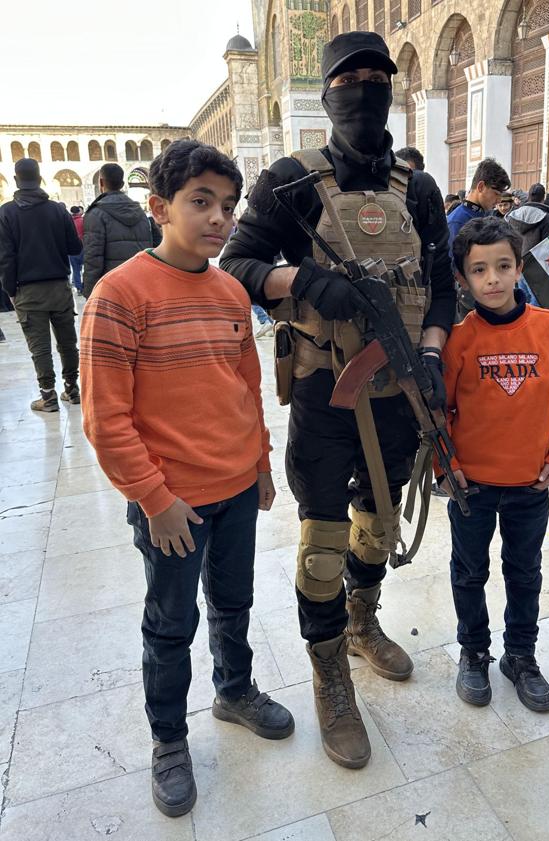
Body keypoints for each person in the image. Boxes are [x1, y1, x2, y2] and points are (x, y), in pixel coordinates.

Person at [220, 31, 455, 769]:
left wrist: (431, 354)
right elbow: (237, 264)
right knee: (323, 543)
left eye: (375, 77)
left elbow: (442, 287)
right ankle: (329, 673)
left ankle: (362, 622)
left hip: (398, 389)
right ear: (326, 95)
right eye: (348, 79)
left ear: (392, 89)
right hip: (324, 391)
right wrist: (300, 282)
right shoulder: (290, 180)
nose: (362, 88)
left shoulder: (416, 187)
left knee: (378, 523)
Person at [80, 140, 294, 818]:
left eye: (227, 207)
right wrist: (154, 500)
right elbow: (105, 420)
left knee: (233, 602)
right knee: (171, 624)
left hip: (234, 489)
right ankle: (168, 740)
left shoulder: (231, 289)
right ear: (159, 207)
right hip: (172, 504)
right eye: (200, 202)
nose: (218, 219)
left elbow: (244, 388)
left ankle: (235, 689)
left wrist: (259, 465)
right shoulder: (119, 295)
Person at [439, 216, 549, 712]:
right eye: (479, 270)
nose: (492, 279)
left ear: (520, 268)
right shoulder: (459, 340)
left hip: (529, 487)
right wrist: (446, 465)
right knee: (468, 572)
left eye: (502, 266)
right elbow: (441, 412)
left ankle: (521, 655)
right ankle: (473, 651)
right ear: (463, 279)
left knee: (524, 574)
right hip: (471, 485)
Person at [0, 158, 82, 411]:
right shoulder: (58, 210)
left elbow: (6, 256)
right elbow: (75, 247)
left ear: (16, 180)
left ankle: (48, 397)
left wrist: (10, 290)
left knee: (40, 348)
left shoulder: (6, 212)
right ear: (40, 179)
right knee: (67, 343)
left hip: (28, 290)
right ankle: (72, 389)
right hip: (58, 286)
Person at [82, 162, 160, 297]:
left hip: (113, 288)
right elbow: (157, 247)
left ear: (101, 182)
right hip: (141, 285)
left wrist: (90, 292)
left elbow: (93, 257)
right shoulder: (140, 212)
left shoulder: (96, 214)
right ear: (122, 183)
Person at [447, 158, 510, 248]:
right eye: (496, 194)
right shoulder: (457, 222)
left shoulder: (488, 216)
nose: (499, 200)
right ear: (481, 187)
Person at [68, 206, 85, 294]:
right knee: (86, 268)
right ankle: (85, 285)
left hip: (73, 249)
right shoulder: (83, 221)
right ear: (79, 212)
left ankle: (78, 288)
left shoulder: (68, 222)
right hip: (83, 247)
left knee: (75, 270)